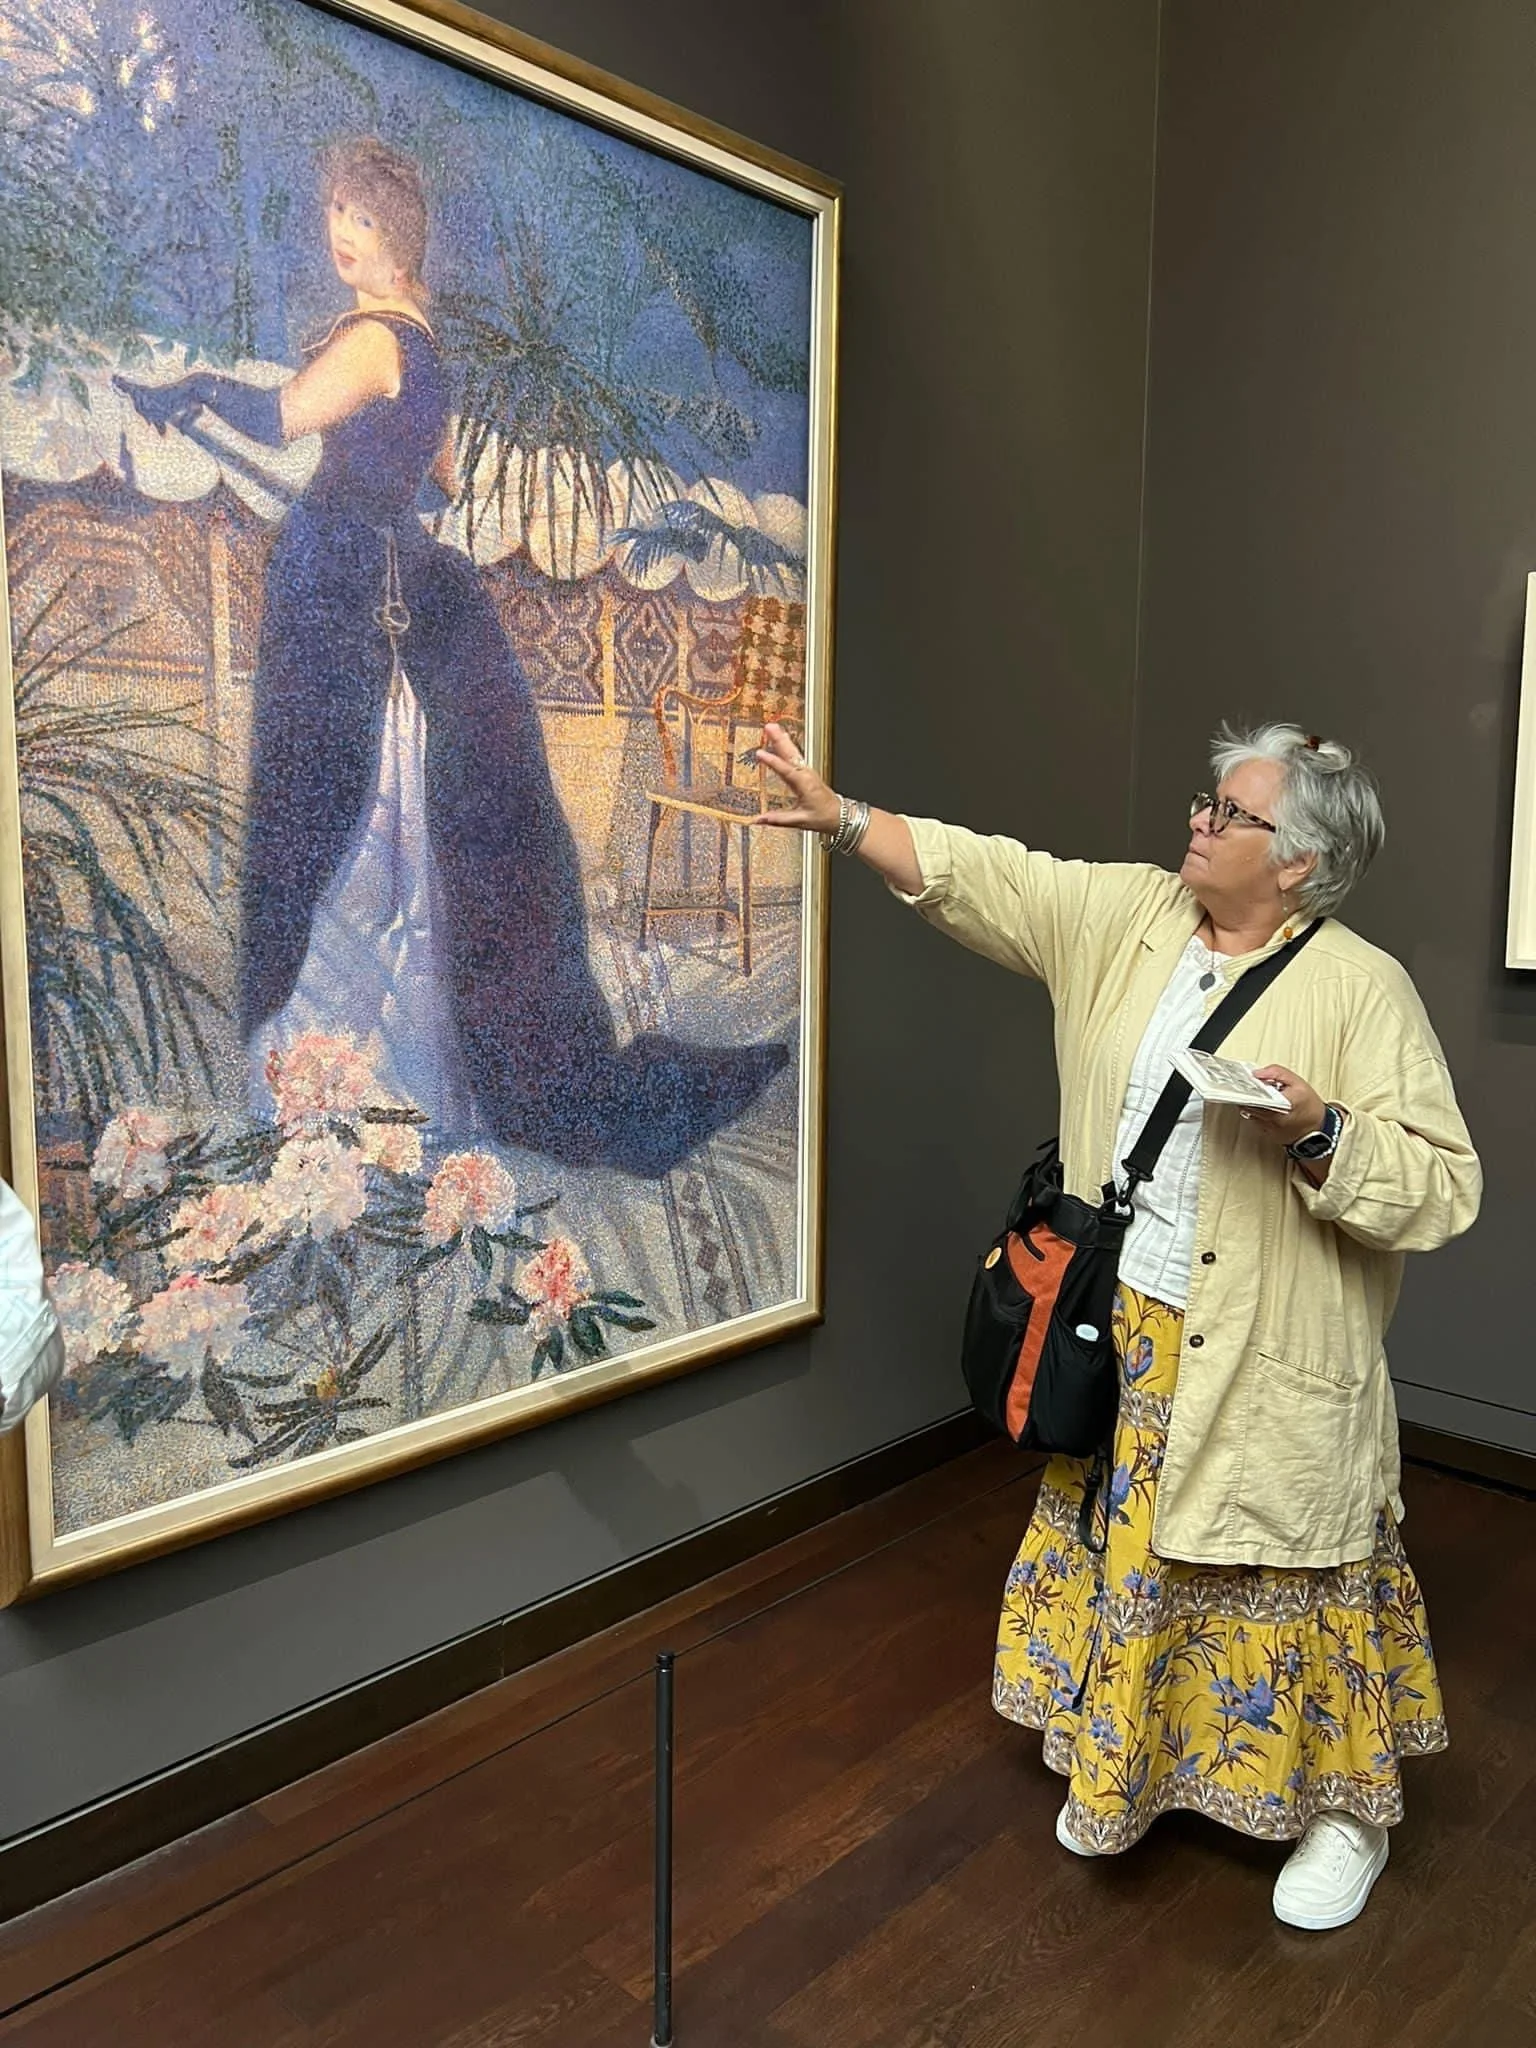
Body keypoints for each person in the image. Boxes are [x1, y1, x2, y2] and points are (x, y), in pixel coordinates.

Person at [754, 718, 1480, 1931]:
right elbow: (991, 874)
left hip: (1268, 1349)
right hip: (1125, 1322)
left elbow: (1444, 1187)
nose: (1199, 819)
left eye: (1231, 811)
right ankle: (1137, 1763)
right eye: (1207, 800)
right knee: (1138, 1552)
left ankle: (1345, 1815)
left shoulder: (1364, 989)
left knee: (1287, 1572)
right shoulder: (1131, 917)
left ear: (1297, 860)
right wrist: (841, 819)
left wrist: (1319, 1131)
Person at [117, 138, 786, 1179]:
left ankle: (351, 1063)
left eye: (364, 221)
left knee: (341, 807)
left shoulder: (378, 338)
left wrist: (195, 385)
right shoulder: (428, 347)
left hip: (344, 576)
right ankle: (403, 1060)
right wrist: (377, 475)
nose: (341, 234)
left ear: (400, 239)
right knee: (401, 808)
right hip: (393, 571)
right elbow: (441, 486)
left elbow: (284, 416)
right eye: (336, 211)